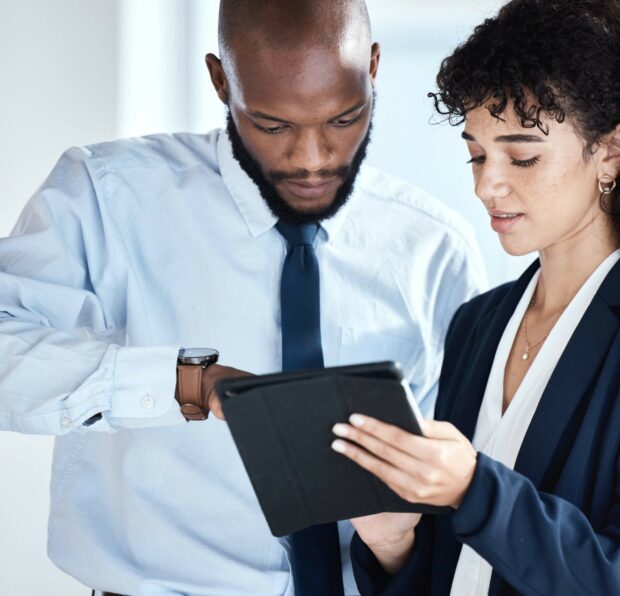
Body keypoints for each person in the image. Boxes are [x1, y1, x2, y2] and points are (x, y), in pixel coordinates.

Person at [0, 0, 486, 594]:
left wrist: (396, 544)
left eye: (344, 118)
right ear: (220, 79)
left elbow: (460, 494)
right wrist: (191, 384)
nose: (312, 159)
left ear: (374, 68)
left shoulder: (435, 251)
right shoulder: (107, 197)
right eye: (273, 125)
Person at [331, 0, 620, 594]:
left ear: (612, 149)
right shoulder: (477, 324)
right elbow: (449, 571)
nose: (487, 185)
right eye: (476, 155)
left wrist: (474, 489)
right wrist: (392, 543)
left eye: (522, 156)